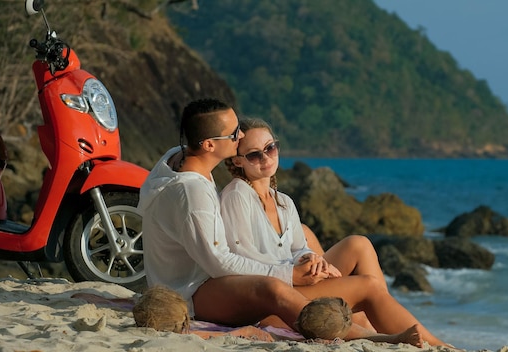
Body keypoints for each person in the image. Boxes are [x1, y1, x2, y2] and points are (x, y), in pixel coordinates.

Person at [137, 98, 433, 347]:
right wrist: (289, 274)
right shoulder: (194, 192)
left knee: (348, 246)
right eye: (235, 135)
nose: (240, 137)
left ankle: (388, 329)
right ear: (209, 145)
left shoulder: (178, 158)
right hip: (191, 290)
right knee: (274, 289)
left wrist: (305, 261)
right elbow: (219, 263)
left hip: (202, 278)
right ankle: (378, 338)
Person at [219, 117, 452, 347]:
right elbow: (243, 261)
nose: (266, 157)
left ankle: (375, 327)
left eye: (270, 148)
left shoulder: (283, 201)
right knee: (367, 286)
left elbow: (299, 248)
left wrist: (313, 260)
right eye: (254, 154)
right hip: (273, 299)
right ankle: (437, 346)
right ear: (239, 161)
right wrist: (292, 272)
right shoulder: (237, 195)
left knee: (358, 244)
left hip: (294, 280)